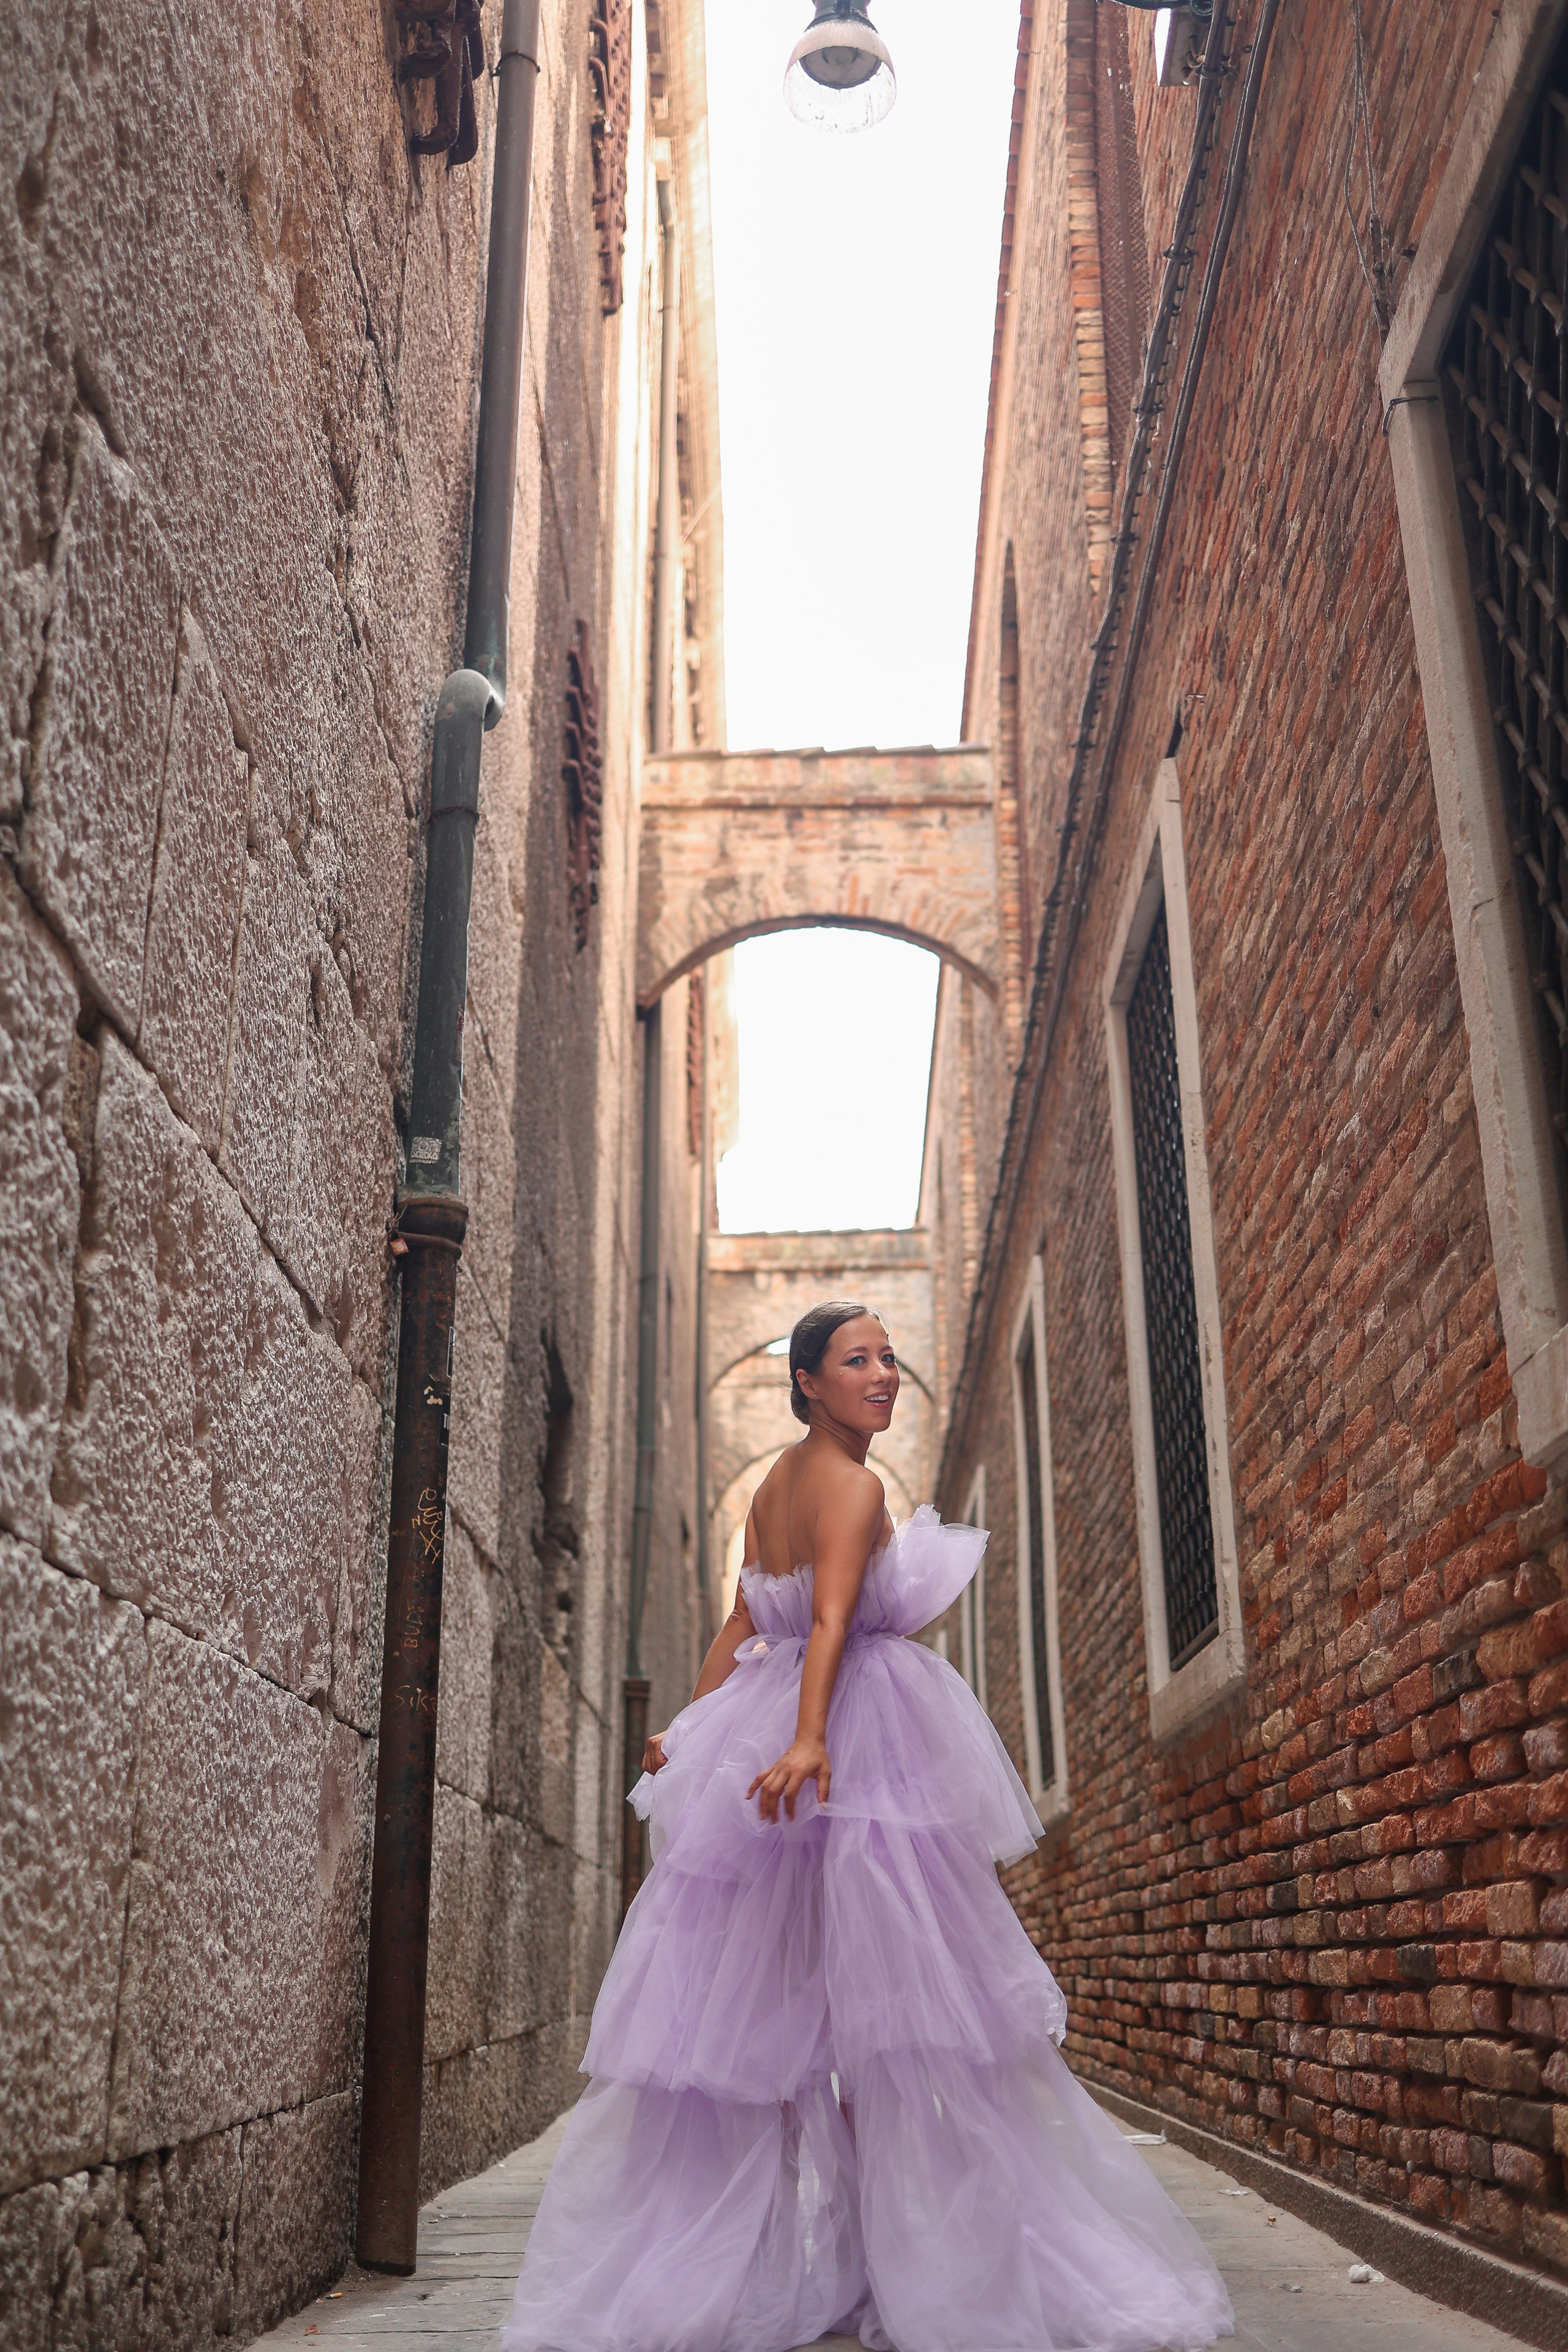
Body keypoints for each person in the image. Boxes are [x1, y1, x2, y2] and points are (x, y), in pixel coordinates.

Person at [503, 1300, 1234, 2352]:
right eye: (858, 1361)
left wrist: (695, 1721)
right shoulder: (850, 1485)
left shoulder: (774, 1485)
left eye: (889, 1358)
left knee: (806, 2010)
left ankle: (850, 2260)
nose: (884, 1376)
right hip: (848, 1741)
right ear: (809, 1382)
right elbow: (829, 1621)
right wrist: (807, 1741)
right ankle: (901, 2268)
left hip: (785, 1727)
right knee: (897, 2011)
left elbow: (746, 1621)